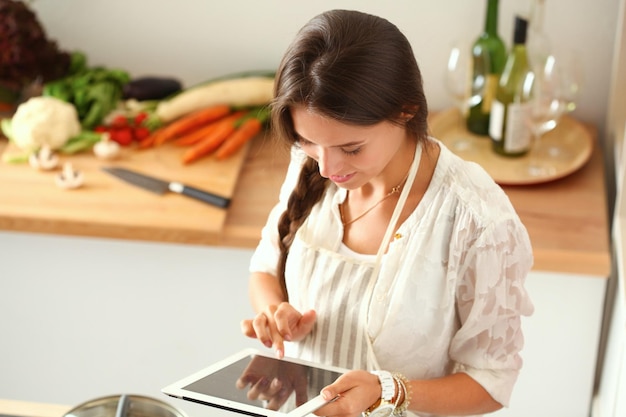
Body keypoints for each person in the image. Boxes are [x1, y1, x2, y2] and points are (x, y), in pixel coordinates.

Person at [240, 9, 534, 417]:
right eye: (307, 140)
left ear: (406, 110)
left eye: (352, 148)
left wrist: (387, 392)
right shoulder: (313, 164)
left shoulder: (478, 221)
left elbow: (491, 383)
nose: (326, 168)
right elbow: (265, 265)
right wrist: (274, 312)